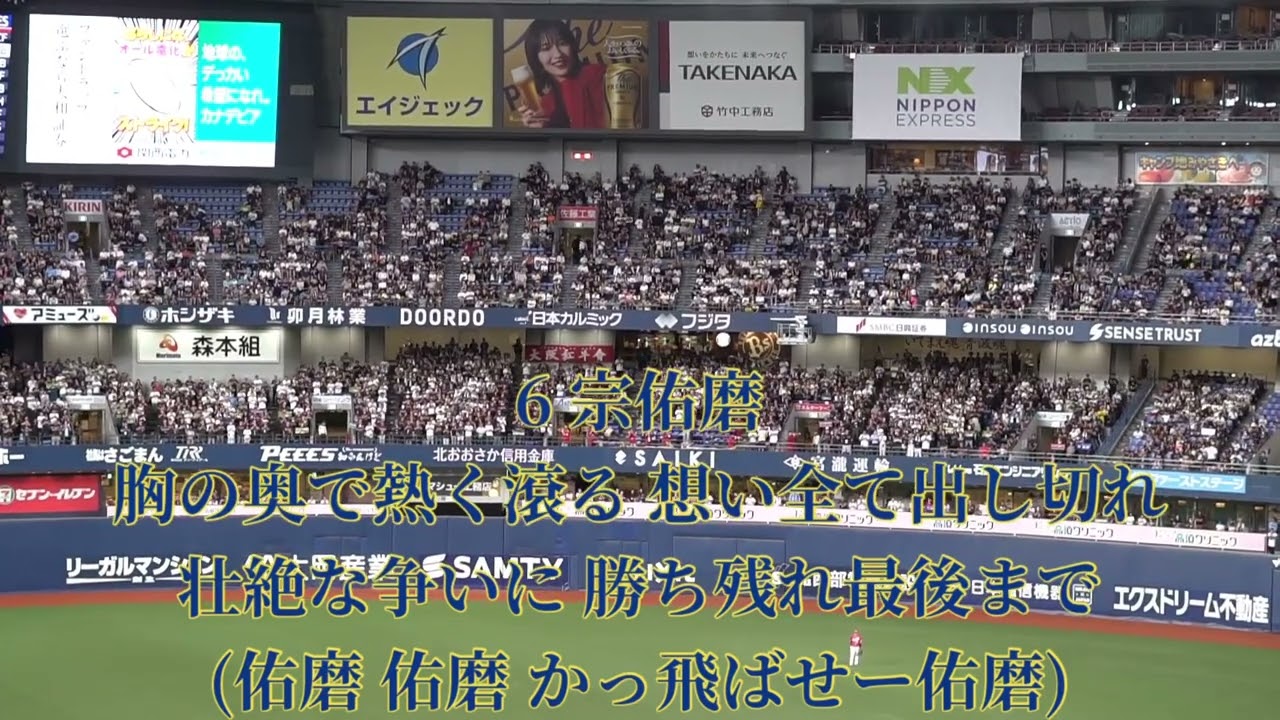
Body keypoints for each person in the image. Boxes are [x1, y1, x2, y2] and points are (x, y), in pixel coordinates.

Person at [516, 19, 608, 129]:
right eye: (546, 48)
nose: (558, 54)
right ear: (536, 58)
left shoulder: (597, 75)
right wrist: (540, 130)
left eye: (562, 43)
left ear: (572, 46)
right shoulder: (545, 104)